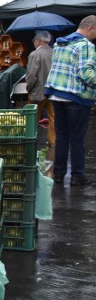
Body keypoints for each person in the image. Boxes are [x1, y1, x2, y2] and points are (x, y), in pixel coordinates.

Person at [44, 15, 96, 186]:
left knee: (63, 136)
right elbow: (85, 73)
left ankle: (58, 174)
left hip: (57, 95)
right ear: (90, 28)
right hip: (76, 98)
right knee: (77, 139)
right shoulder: (85, 45)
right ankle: (77, 176)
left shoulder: (60, 43)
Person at [26, 30, 55, 147]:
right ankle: (53, 142)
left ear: (38, 41)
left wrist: (28, 88)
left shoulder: (34, 54)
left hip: (38, 92)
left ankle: (30, 142)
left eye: (34, 41)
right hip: (53, 92)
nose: (33, 43)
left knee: (32, 119)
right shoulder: (55, 53)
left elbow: (32, 75)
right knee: (53, 117)